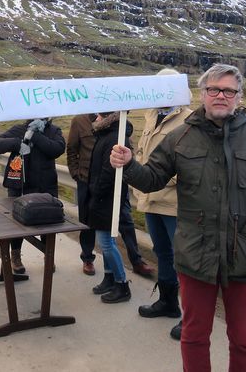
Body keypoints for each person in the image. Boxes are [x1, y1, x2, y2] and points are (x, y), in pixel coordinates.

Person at [110, 63, 246, 372]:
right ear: (202, 94)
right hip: (195, 255)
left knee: (245, 340)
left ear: (239, 96)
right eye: (213, 89)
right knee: (194, 336)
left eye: (228, 90)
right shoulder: (181, 137)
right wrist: (129, 165)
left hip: (244, 257)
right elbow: (153, 178)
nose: (221, 95)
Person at [133, 68, 192, 336]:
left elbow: (188, 165)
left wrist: (156, 178)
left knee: (184, 259)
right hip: (150, 200)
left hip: (174, 202)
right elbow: (142, 153)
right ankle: (168, 302)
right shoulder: (151, 116)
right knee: (162, 252)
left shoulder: (188, 121)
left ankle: (191, 317)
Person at [67, 113, 154, 277]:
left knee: (125, 220)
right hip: (87, 180)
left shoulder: (117, 122)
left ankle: (136, 261)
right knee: (88, 222)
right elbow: (71, 149)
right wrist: (76, 174)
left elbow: (129, 148)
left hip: (115, 181)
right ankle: (88, 258)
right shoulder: (79, 120)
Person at [0, 117, 65, 274]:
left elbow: (57, 149)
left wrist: (36, 136)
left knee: (48, 222)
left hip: (45, 186)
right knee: (16, 224)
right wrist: (18, 143)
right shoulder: (18, 129)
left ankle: (48, 256)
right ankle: (15, 255)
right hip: (19, 185)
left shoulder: (54, 131)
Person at [86, 111, 133, 303]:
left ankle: (122, 284)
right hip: (102, 196)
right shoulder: (107, 135)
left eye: (99, 115)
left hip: (107, 198)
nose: (95, 118)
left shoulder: (116, 137)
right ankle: (109, 277)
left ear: (108, 118)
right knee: (104, 241)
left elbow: (109, 171)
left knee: (106, 242)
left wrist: (96, 191)